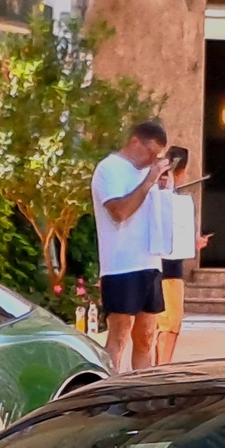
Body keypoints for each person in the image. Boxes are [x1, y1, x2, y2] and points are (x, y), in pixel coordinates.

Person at [90, 120, 168, 374]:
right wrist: (148, 182)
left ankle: (144, 397)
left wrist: (165, 187)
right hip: (121, 265)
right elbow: (119, 212)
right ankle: (111, 393)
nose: (152, 160)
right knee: (120, 334)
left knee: (146, 336)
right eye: (151, 153)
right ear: (135, 141)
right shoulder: (109, 169)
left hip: (150, 261)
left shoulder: (148, 174)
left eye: (158, 156)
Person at [153, 144, 208, 367]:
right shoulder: (171, 199)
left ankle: (158, 367)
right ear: (182, 171)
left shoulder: (158, 196)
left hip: (155, 268)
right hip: (170, 269)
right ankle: (162, 369)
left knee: (161, 324)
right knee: (170, 325)